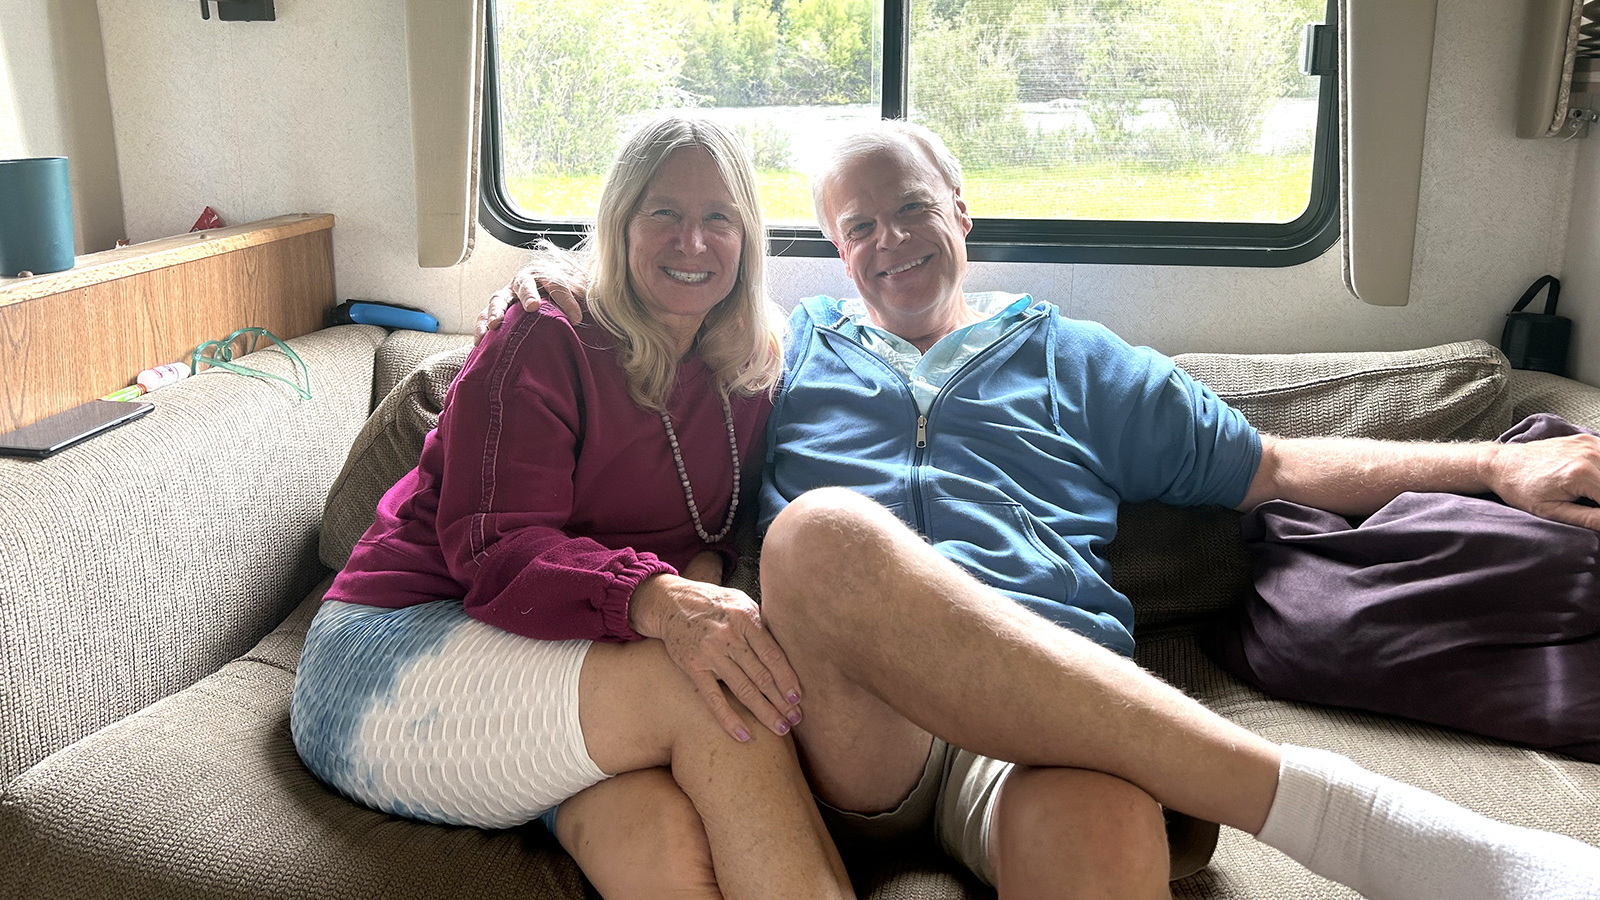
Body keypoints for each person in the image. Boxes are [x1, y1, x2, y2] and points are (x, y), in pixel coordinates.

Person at [480, 120, 1600, 899]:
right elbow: (640, 359)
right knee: (821, 532)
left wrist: (1493, 469)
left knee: (1103, 826)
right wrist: (558, 291)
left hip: (1040, 719)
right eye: (858, 228)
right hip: (845, 731)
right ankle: (1341, 818)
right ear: (834, 251)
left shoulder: (1077, 358)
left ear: (960, 210)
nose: (889, 242)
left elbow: (1273, 466)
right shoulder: (779, 352)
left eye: (911, 209)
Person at [290, 114, 856, 900]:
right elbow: (494, 550)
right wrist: (661, 602)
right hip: (390, 656)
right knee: (717, 692)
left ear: (747, 237)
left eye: (718, 218)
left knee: (662, 841)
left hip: (554, 658)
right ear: (620, 222)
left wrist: (699, 578)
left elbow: (721, 527)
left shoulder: (752, 366)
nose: (692, 242)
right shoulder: (548, 334)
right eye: (663, 212)